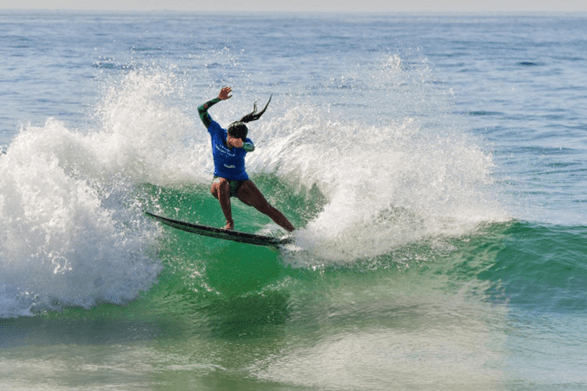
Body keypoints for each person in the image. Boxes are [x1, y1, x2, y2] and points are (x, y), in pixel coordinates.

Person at [197, 87, 295, 232]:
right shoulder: (217, 132)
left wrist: (242, 144)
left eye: (238, 139)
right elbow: (201, 110)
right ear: (228, 133)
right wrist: (218, 99)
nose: (233, 141)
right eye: (232, 138)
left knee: (266, 208)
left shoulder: (245, 143)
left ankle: (294, 233)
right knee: (222, 182)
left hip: (241, 183)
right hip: (218, 183)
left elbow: (251, 147)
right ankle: (229, 223)